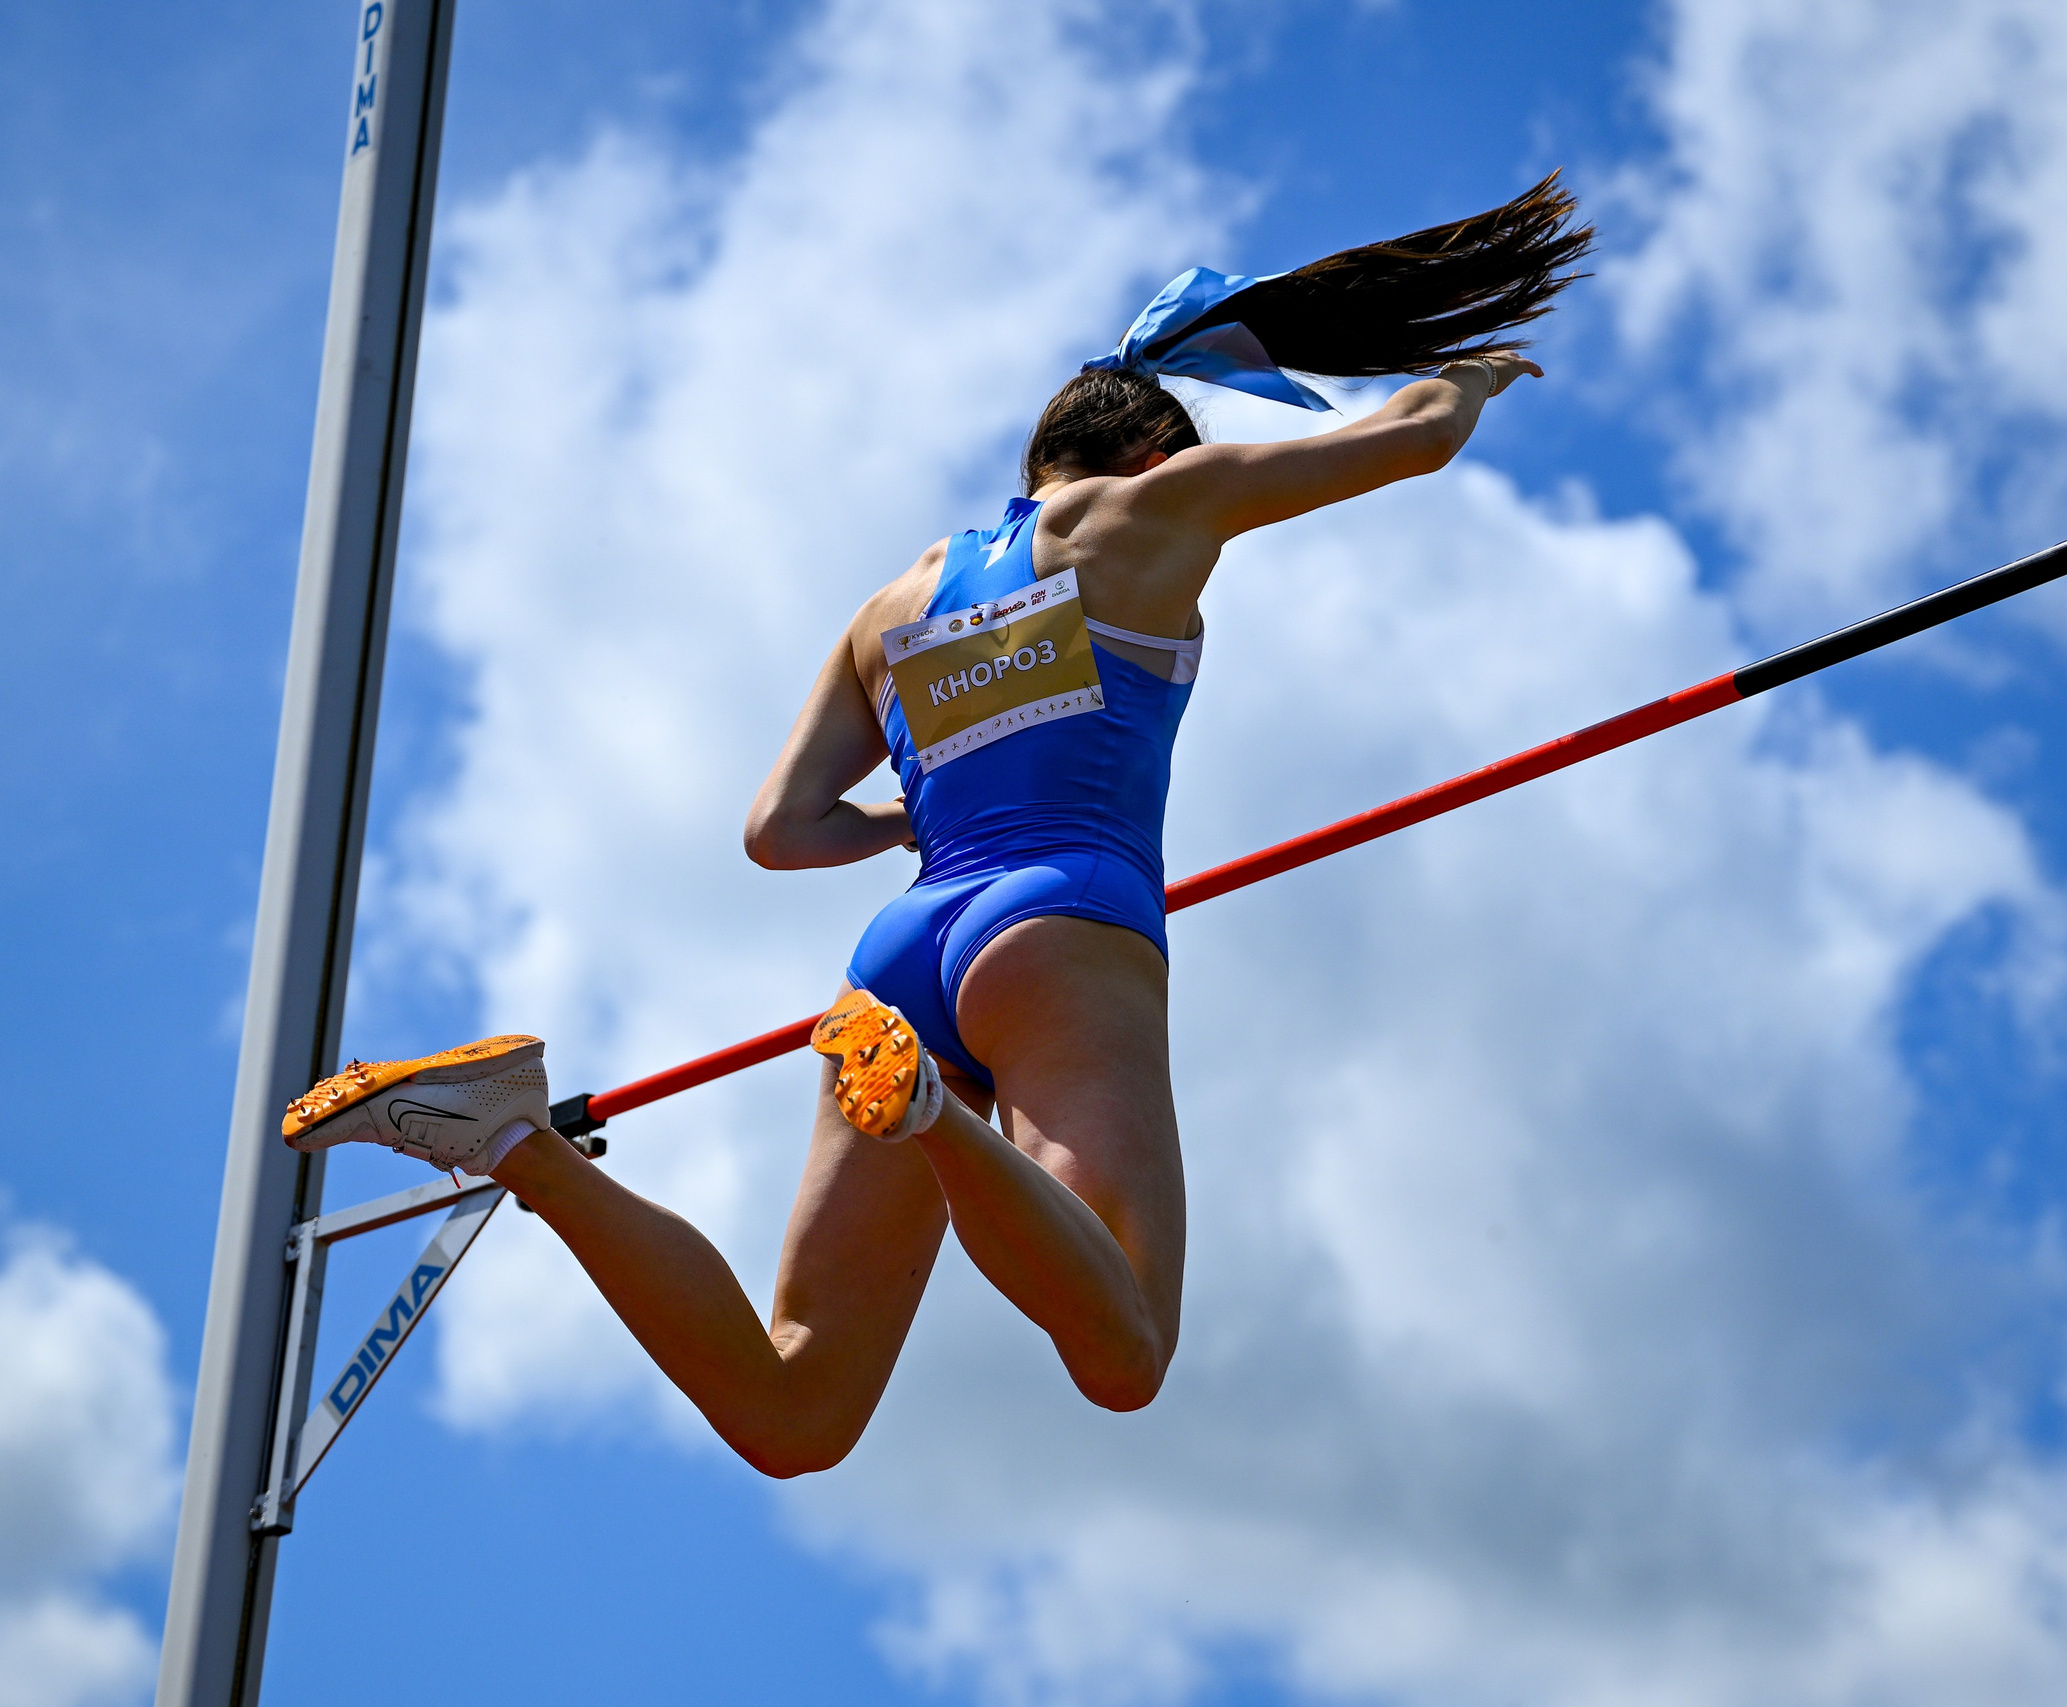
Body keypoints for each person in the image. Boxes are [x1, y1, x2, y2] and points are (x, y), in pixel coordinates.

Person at [280, 177, 1593, 1476]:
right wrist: (1473, 376)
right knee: (1125, 1352)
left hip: (902, 952)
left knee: (795, 1410)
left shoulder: (896, 602)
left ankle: (513, 1140)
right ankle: (925, 1114)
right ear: (1155, 455)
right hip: (1061, 924)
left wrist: (904, 822)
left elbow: (779, 830)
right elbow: (1417, 434)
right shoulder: (1140, 512)